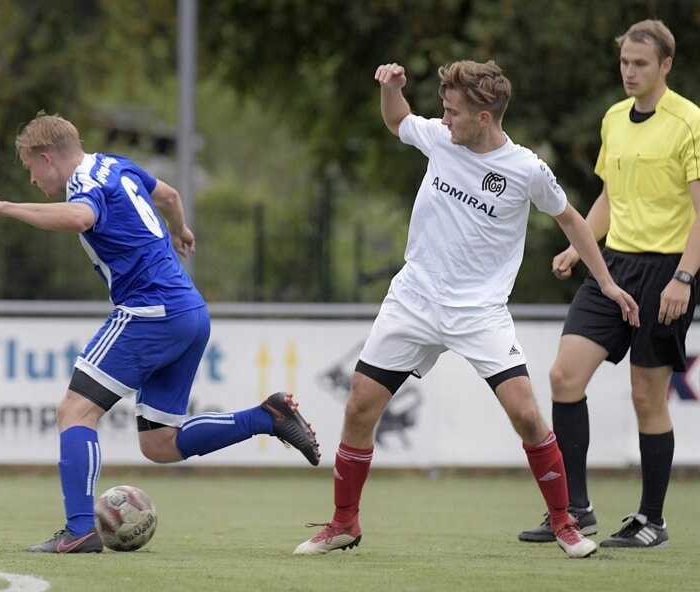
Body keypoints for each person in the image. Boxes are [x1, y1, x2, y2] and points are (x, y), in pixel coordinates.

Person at [293, 61, 641, 559]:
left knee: (526, 414)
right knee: (359, 406)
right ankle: (344, 522)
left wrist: (605, 282)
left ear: (483, 118)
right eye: (443, 109)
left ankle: (565, 523)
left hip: (480, 312)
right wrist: (391, 90)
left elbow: (569, 219)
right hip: (414, 298)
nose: (444, 117)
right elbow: (396, 121)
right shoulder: (440, 138)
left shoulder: (525, 169)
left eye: (453, 112)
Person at [0, 113, 321, 554]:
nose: (32, 181)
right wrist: (180, 228)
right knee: (160, 445)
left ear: (47, 157)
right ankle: (267, 417)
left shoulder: (83, 183)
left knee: (75, 412)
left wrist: (3, 208)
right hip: (189, 311)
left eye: (31, 170)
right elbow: (168, 194)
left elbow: (79, 216)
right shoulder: (114, 164)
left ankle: (80, 530)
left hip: (150, 311)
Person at [518, 19, 700, 549]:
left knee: (648, 396)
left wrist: (685, 277)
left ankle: (652, 521)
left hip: (666, 273)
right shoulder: (614, 119)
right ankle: (575, 510)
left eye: (641, 64)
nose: (630, 72)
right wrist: (580, 247)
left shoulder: (689, 122)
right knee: (563, 376)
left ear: (665, 66)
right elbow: (609, 197)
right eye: (625, 62)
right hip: (611, 268)